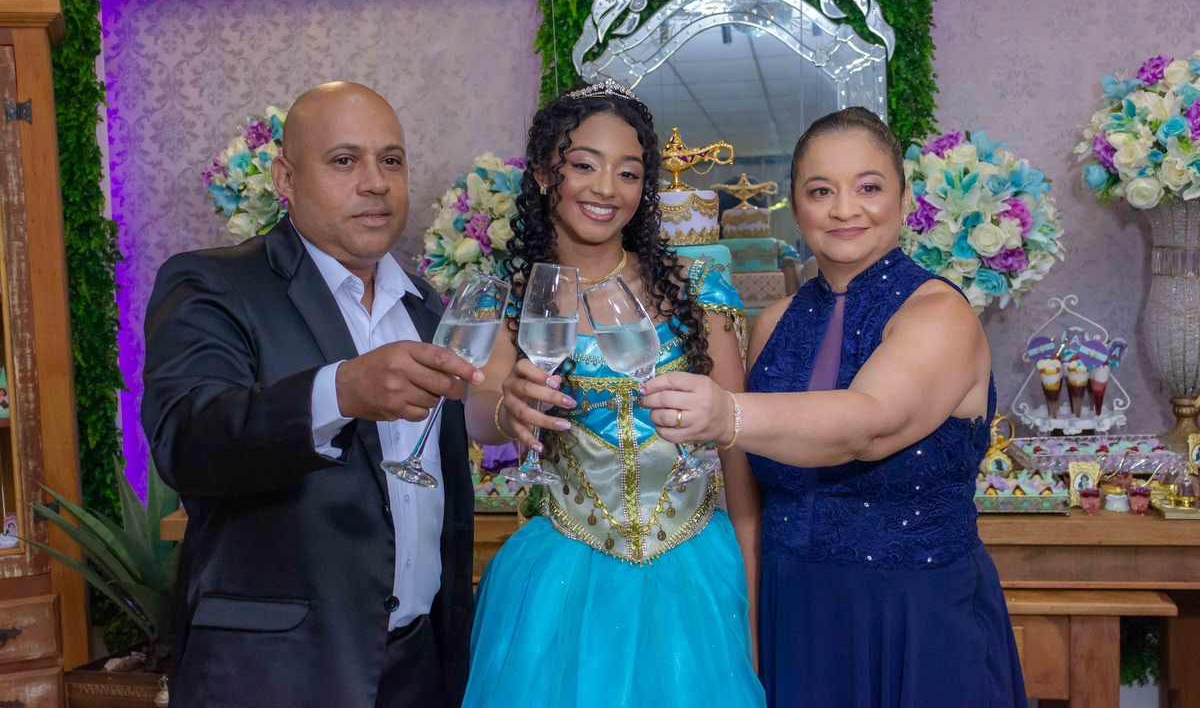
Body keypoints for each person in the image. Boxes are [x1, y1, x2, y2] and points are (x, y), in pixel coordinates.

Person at [642, 108, 1026, 707]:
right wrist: (750, 630)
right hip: (793, 616)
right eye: (821, 191)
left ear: (904, 201)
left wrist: (727, 415)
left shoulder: (939, 314)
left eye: (868, 188)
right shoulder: (773, 324)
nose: (845, 209)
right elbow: (751, 504)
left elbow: (868, 425)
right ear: (796, 210)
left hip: (917, 622)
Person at [143, 82, 480, 707]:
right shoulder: (214, 284)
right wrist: (340, 391)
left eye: (391, 160)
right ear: (286, 179)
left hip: (421, 669)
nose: (376, 182)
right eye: (344, 160)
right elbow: (187, 441)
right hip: (279, 675)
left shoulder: (427, 307)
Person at [461, 81, 765, 707]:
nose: (606, 189)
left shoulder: (698, 288)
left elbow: (738, 447)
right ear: (544, 173)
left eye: (628, 172)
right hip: (563, 575)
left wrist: (747, 580)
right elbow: (480, 411)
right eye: (583, 165)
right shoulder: (512, 297)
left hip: (694, 569)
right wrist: (508, 409)